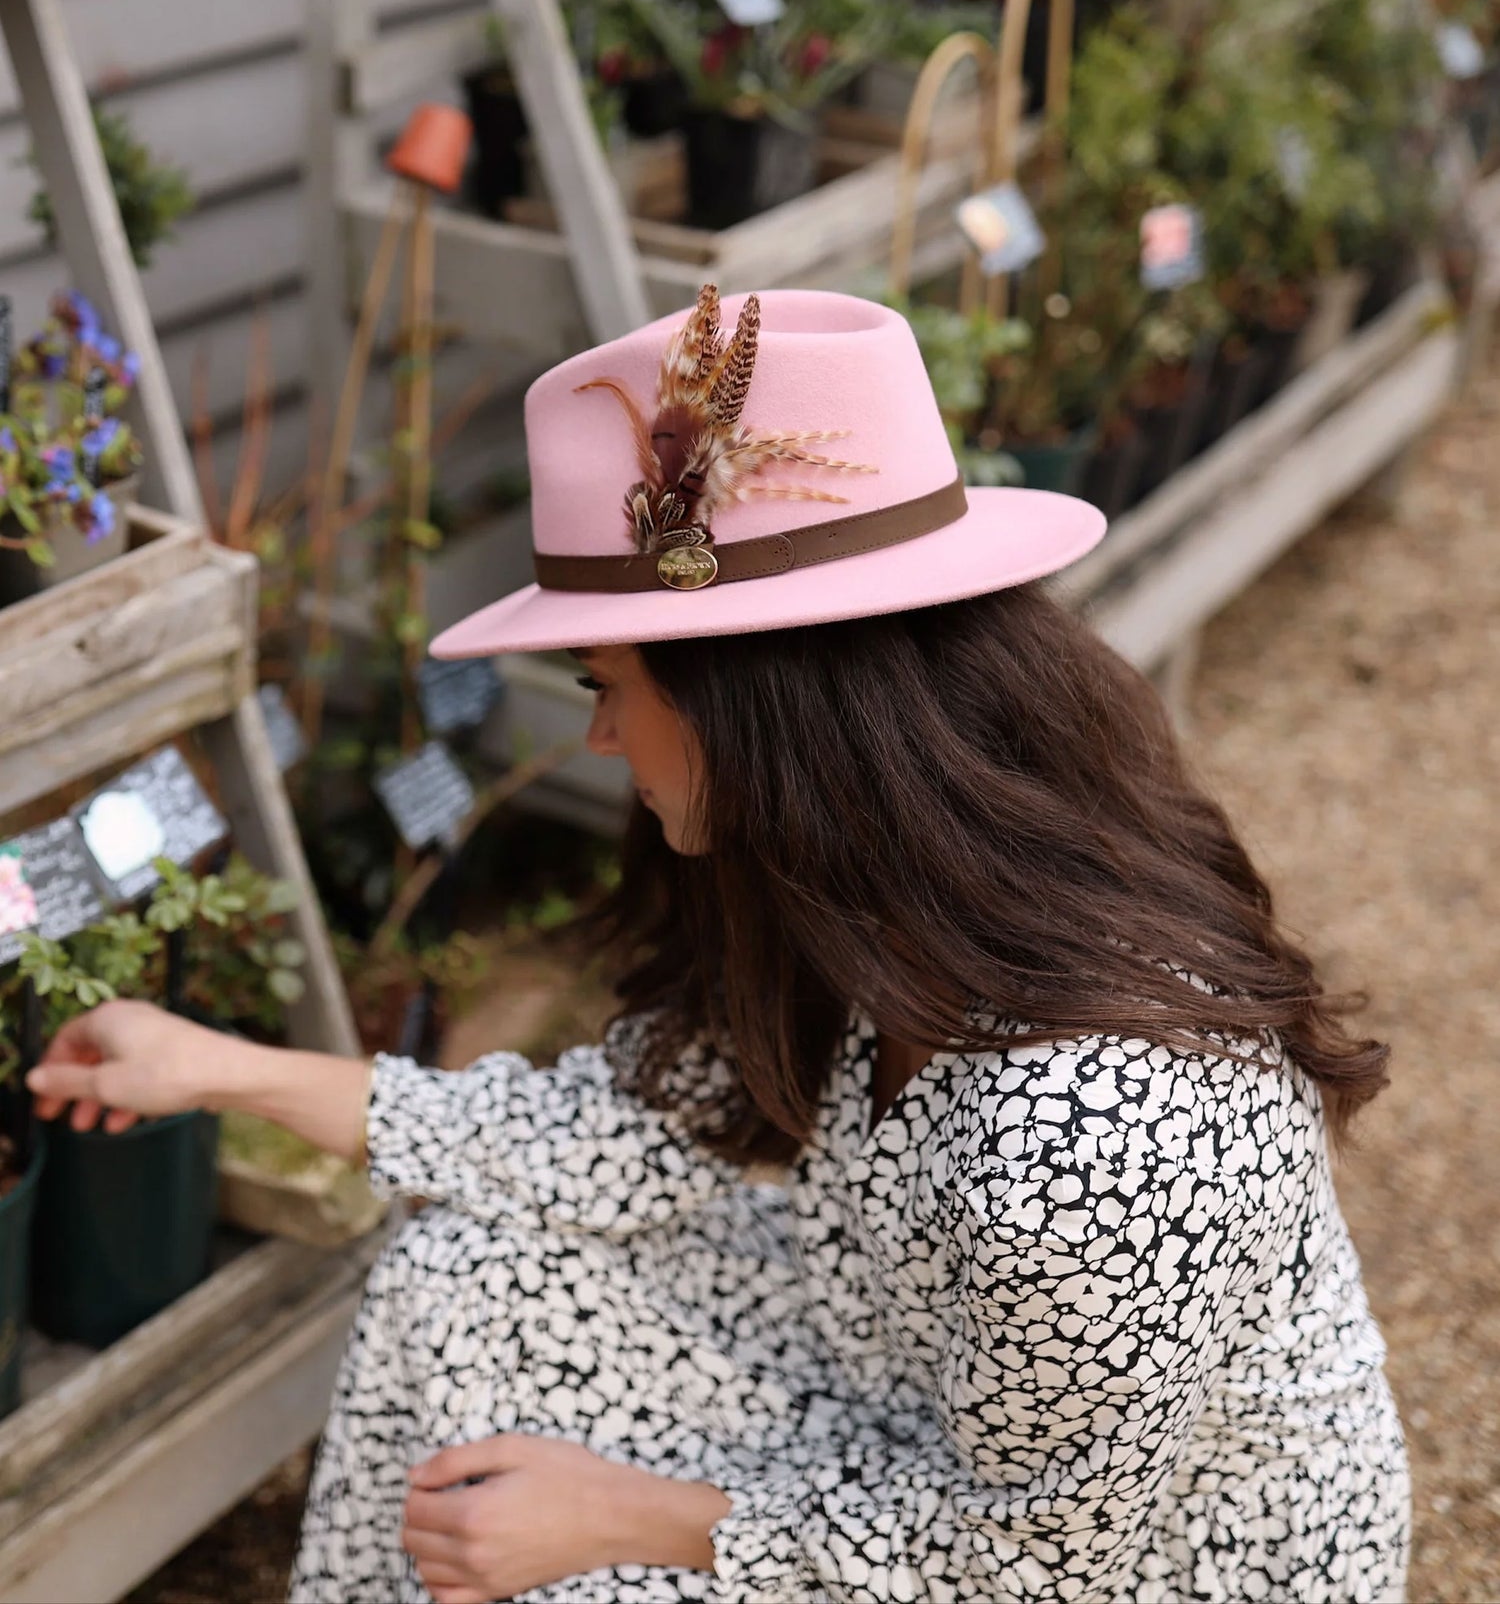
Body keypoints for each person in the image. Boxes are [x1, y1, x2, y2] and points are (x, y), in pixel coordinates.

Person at [28, 288, 1410, 1603]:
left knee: (577, 1548)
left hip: (1149, 1565)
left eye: (608, 685)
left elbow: (1045, 1563)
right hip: (910, 1374)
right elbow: (622, 1136)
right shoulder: (875, 906)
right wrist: (216, 1068)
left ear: (759, 704)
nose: (598, 737)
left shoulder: (1084, 1131)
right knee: (468, 1272)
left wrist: (621, 1512)